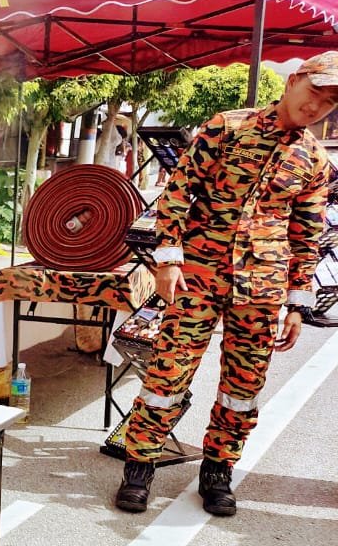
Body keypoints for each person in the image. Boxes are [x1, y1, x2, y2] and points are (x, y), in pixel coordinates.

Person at [114, 52, 338, 517]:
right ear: (294, 80)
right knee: (168, 371)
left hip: (263, 285)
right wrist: (168, 257)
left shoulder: (314, 161)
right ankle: (140, 463)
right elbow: (179, 191)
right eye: (316, 92)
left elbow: (307, 232)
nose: (318, 107)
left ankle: (218, 469)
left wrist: (298, 301)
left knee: (244, 383)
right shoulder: (227, 127)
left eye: (331, 102)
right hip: (197, 272)